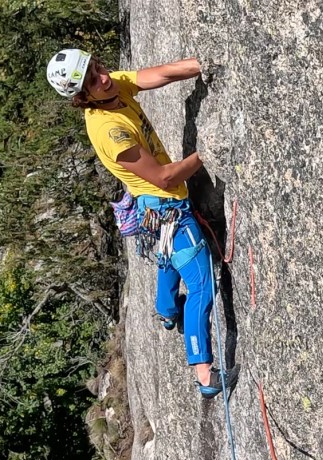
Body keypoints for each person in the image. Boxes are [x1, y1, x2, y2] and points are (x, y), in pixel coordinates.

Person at [46, 48, 237, 398]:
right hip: (166, 209)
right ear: (82, 96)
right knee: (201, 285)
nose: (103, 76)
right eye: (92, 79)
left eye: (97, 67)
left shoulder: (110, 88)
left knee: (169, 258)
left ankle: (166, 309)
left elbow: (157, 75)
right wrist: (206, 152)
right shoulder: (109, 131)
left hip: (154, 212)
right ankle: (205, 374)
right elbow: (164, 177)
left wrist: (200, 65)